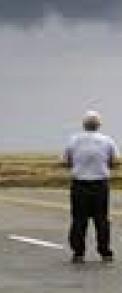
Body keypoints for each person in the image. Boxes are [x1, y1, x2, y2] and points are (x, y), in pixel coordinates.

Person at [62, 110, 119, 263]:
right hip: (100, 184)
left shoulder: (73, 140)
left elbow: (66, 161)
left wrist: (79, 166)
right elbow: (115, 161)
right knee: (101, 219)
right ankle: (105, 252)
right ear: (99, 124)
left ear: (84, 124)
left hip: (80, 184)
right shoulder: (107, 141)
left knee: (79, 219)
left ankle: (78, 252)